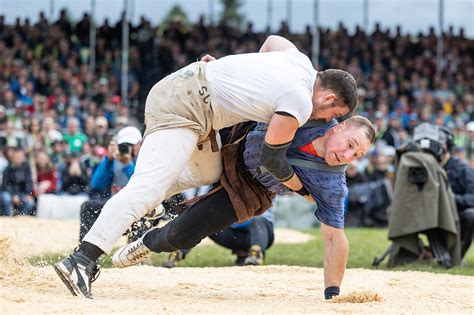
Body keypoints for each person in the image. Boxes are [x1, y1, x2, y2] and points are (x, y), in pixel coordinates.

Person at [54, 34, 359, 299]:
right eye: (333, 113)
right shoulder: (301, 101)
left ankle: (153, 207)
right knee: (146, 189)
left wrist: (230, 71)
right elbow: (272, 159)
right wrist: (302, 189)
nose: (326, 120)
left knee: (209, 171)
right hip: (187, 106)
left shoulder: (299, 60)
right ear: (329, 96)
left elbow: (270, 42)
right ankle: (80, 261)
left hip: (193, 92)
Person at [112, 115, 375, 301]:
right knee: (173, 160)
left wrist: (333, 294)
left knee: (181, 235)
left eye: (357, 156)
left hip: (249, 188)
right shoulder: (311, 114)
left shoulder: (332, 183)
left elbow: (334, 239)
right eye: (351, 145)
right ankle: (136, 210)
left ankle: (146, 244)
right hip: (236, 140)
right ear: (338, 127)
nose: (348, 157)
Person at [79, 126, 142, 241]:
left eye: (130, 145)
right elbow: (95, 184)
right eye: (123, 145)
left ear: (138, 144)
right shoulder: (113, 161)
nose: (126, 148)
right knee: (87, 207)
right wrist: (108, 160)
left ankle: (136, 253)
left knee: (144, 214)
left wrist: (128, 164)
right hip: (115, 205)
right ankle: (84, 250)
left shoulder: (144, 159)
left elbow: (140, 185)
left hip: (136, 208)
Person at [163, 208, 275, 268]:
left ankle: (256, 254)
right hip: (232, 235)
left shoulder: (263, 182)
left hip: (260, 234)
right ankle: (178, 252)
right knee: (205, 221)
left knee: (258, 221)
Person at [441, 128, 474, 260]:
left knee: (471, 215)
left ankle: (456, 257)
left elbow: (472, 197)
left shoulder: (461, 169)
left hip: (454, 212)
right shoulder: (422, 167)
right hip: (429, 212)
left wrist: (452, 199)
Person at [1, 148, 35, 216]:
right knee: (6, 199)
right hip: (9, 192)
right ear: (13, 157)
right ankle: (7, 217)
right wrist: (13, 195)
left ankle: (21, 217)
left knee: (30, 203)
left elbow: (29, 182)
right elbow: (5, 185)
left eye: (21, 156)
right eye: (17, 156)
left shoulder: (26, 168)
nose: (19, 158)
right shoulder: (7, 169)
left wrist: (28, 194)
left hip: (22, 193)